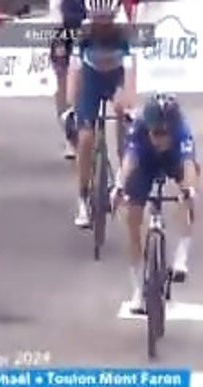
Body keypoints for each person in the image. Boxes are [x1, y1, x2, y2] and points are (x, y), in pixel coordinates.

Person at [112, 93, 200, 313]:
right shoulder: (139, 131)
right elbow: (129, 161)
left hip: (173, 159)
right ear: (148, 128)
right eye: (156, 133)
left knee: (190, 190)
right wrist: (119, 186)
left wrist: (189, 191)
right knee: (132, 218)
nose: (161, 139)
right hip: (145, 162)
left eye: (165, 134)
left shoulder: (182, 131)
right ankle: (137, 288)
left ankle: (181, 256)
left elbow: (188, 165)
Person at [61, 0, 136, 228]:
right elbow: (74, 71)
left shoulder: (124, 32)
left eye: (107, 21)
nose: (102, 25)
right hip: (91, 81)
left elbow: (131, 72)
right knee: (85, 138)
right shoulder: (84, 33)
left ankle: (123, 182)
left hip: (115, 79)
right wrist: (71, 105)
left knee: (125, 119)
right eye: (98, 20)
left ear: (114, 17)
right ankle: (83, 197)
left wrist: (128, 101)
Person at [50, 0, 86, 160]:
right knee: (64, 82)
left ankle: (86, 130)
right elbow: (55, 8)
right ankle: (69, 134)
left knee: (84, 82)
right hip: (64, 29)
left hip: (91, 27)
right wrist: (59, 40)